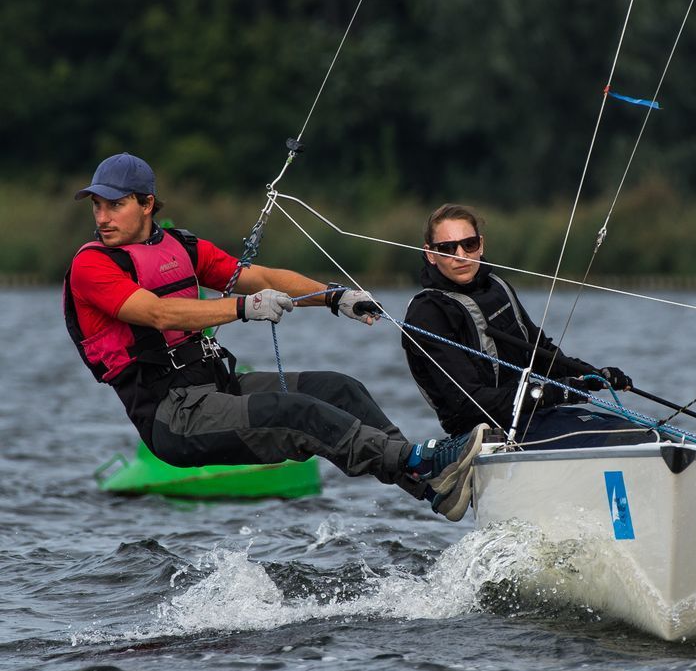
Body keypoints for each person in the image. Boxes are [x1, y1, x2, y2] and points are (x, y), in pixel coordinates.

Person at [64, 153, 485, 520]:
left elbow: (260, 277)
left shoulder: (180, 247)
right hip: (173, 416)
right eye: (97, 206)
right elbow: (157, 313)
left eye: (115, 205)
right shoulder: (92, 265)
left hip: (217, 386)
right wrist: (243, 308)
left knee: (340, 389)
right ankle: (422, 461)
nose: (102, 217)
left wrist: (333, 296)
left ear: (146, 204)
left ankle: (433, 487)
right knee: (297, 413)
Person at [402, 204, 653, 449]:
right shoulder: (428, 313)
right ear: (430, 254)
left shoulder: (497, 287)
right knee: (625, 442)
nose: (460, 255)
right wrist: (555, 393)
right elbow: (468, 401)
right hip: (486, 434)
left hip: (533, 416)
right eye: (447, 248)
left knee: (644, 435)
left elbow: (540, 352)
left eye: (469, 244)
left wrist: (594, 376)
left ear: (481, 245)